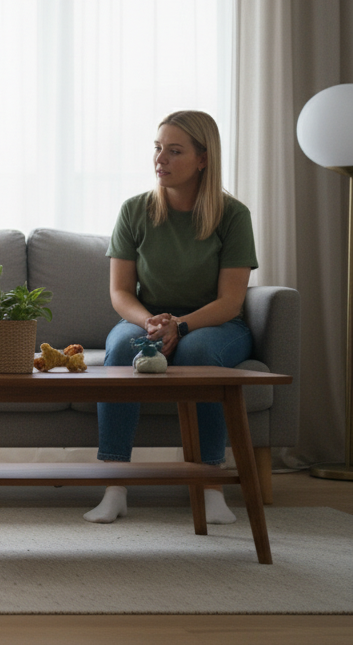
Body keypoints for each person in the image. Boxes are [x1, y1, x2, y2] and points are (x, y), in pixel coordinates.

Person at [85, 110, 258, 525]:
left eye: (174, 150)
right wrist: (149, 323)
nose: (160, 158)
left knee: (196, 351)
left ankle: (210, 486)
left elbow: (231, 301)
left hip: (215, 324)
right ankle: (115, 485)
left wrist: (180, 327)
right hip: (148, 317)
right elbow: (121, 291)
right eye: (158, 148)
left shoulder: (233, 216)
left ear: (203, 159)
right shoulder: (135, 211)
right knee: (125, 347)